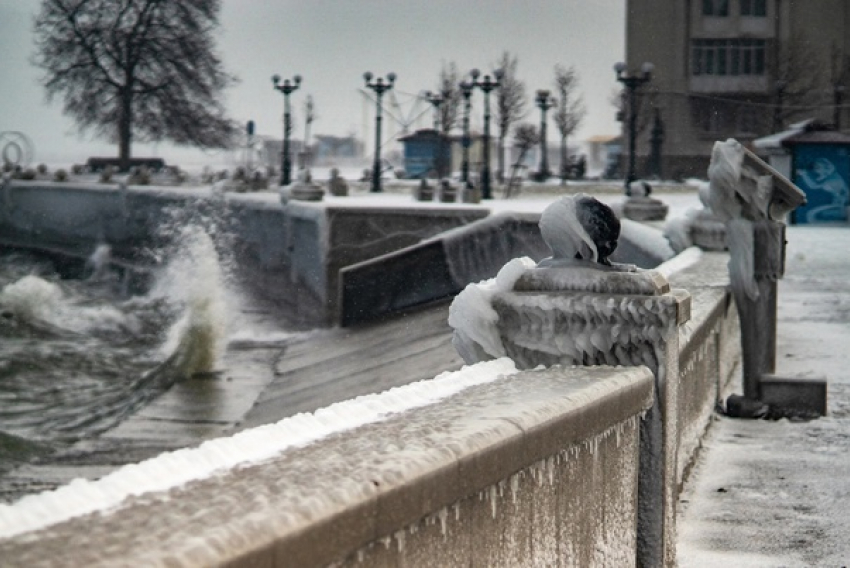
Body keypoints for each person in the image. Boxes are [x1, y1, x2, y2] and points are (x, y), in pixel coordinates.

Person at [797, 157, 849, 222]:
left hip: (843, 208)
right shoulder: (829, 177)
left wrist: (804, 174)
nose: (816, 170)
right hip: (839, 206)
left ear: (826, 168)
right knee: (812, 215)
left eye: (818, 168)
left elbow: (814, 185)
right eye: (815, 168)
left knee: (814, 215)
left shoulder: (833, 178)